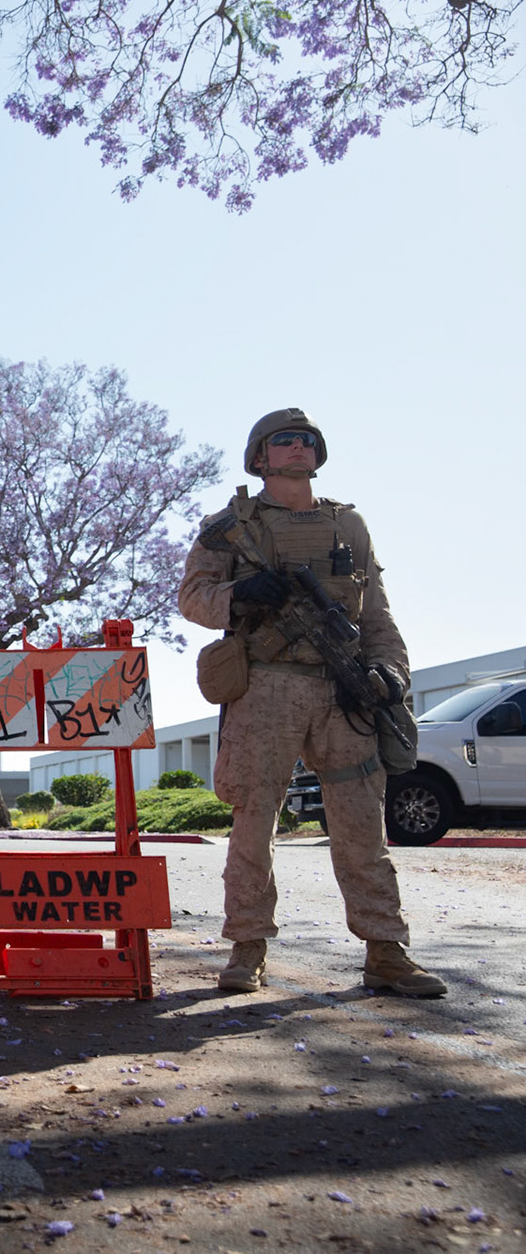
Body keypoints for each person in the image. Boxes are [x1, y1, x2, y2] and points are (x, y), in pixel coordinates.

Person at [178, 410, 444, 997]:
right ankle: (247, 948)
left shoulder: (348, 524)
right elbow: (192, 598)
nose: (298, 447)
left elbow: (375, 611)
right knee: (254, 819)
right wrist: (239, 593)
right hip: (266, 685)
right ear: (260, 457)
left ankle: (386, 951)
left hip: (340, 684)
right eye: (284, 440)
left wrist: (392, 671)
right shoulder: (227, 527)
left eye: (307, 440)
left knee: (361, 822)